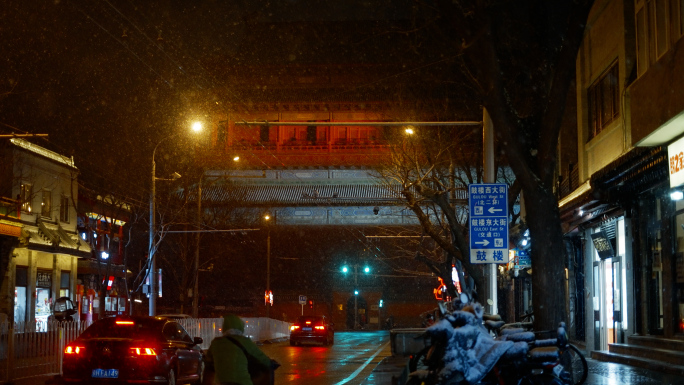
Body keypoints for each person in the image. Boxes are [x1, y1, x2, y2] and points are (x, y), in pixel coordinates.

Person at [205, 314, 275, 385]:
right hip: (242, 382)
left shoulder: (216, 343)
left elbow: (209, 364)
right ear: (241, 327)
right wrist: (271, 363)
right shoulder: (244, 341)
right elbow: (261, 358)